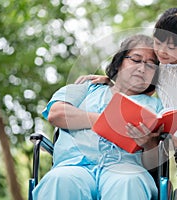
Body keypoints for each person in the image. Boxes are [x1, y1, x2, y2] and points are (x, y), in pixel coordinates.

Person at [76, 8, 177, 200]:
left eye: (172, 47)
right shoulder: (159, 70)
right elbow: (136, 87)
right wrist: (108, 79)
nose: (162, 51)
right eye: (158, 42)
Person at [32, 34, 165, 200]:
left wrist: (149, 144)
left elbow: (155, 163)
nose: (142, 68)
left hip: (126, 169)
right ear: (119, 63)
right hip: (75, 166)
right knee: (59, 180)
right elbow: (57, 114)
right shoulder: (87, 87)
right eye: (136, 60)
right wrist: (107, 120)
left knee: (129, 183)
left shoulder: (157, 108)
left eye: (151, 65)